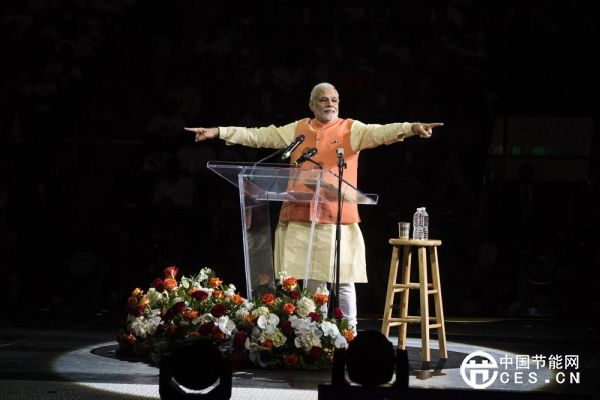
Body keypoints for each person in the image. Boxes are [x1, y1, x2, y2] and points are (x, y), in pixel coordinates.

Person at [185, 82, 443, 328]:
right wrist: (219, 131)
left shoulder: (351, 129)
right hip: (300, 216)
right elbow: (258, 135)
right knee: (311, 283)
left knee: (343, 281)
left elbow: (382, 132)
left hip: (336, 218)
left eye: (335, 100)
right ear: (312, 105)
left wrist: (412, 127)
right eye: (324, 100)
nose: (330, 104)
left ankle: (350, 331)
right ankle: (315, 331)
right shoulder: (297, 130)